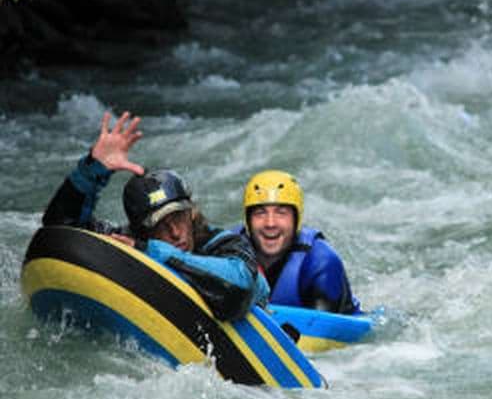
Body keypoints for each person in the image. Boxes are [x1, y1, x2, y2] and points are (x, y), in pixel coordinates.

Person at [42, 111, 267, 322]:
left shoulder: (225, 244)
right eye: (160, 224)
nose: (175, 233)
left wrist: (151, 252)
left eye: (178, 217)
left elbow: (238, 289)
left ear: (191, 213)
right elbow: (61, 231)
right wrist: (92, 171)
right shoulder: (128, 242)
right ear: (141, 231)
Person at [237, 170, 361, 314]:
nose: (270, 223)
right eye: (260, 213)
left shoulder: (321, 261)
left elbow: (320, 324)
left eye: (281, 213)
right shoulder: (228, 251)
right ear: (248, 221)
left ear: (296, 219)